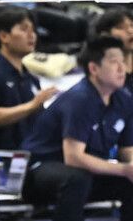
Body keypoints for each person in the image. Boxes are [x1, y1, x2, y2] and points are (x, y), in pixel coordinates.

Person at [22, 36, 133, 221]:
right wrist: (123, 169)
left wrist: (130, 167)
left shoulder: (124, 99)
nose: (122, 68)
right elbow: (74, 157)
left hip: (87, 172)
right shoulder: (80, 99)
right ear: (94, 68)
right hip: (41, 170)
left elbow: (127, 150)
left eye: (123, 61)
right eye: (114, 62)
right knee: (77, 179)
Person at [0, 7, 58, 149]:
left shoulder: (31, 78)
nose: (32, 35)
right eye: (24, 29)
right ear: (4, 36)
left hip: (29, 153)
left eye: (33, 30)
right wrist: (32, 105)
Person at [94, 8, 133, 92]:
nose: (130, 31)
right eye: (120, 27)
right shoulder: (102, 73)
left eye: (132, 25)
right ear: (105, 35)